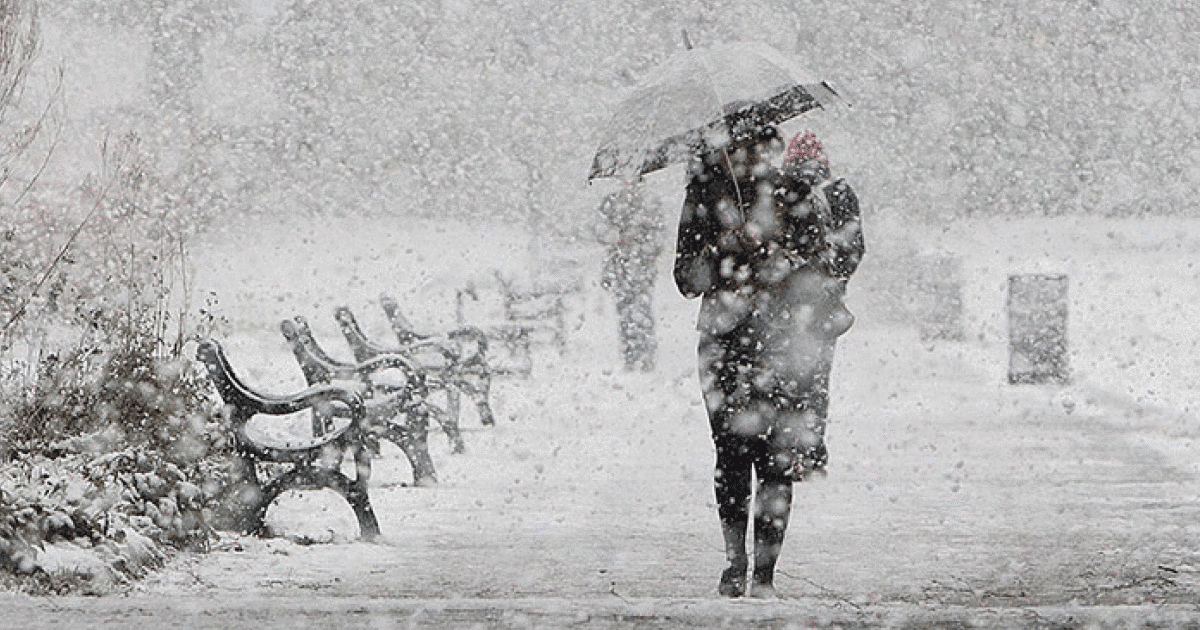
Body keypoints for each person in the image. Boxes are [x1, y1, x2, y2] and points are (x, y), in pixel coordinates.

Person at [673, 125, 864, 599]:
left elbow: (823, 267)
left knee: (776, 458)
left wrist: (776, 256)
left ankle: (764, 575)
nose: (747, 153)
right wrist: (725, 247)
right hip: (723, 341)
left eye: (755, 145)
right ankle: (736, 564)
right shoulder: (702, 194)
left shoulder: (791, 193)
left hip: (779, 340)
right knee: (732, 457)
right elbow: (686, 278)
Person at [598, 179, 664, 372]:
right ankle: (630, 353)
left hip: (642, 267)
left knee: (642, 307)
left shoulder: (649, 206)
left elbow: (658, 237)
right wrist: (616, 237)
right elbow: (599, 231)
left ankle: (645, 353)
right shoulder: (611, 203)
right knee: (624, 309)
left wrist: (640, 243)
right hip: (620, 267)